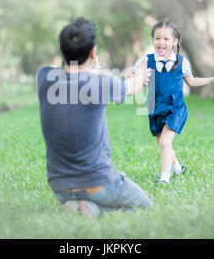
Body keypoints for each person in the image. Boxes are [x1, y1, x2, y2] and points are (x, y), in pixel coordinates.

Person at [37, 17, 153, 218]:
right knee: (146, 208)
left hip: (59, 187)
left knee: (90, 200)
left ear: (62, 49)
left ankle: (80, 205)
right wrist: (141, 74)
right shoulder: (103, 83)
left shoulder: (44, 78)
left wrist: (92, 73)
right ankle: (94, 207)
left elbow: (75, 78)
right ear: (93, 52)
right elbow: (133, 86)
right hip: (98, 185)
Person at [127, 18, 214, 185]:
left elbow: (192, 81)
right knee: (162, 144)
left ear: (175, 41)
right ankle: (178, 169)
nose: (161, 42)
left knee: (165, 142)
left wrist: (212, 80)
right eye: (157, 38)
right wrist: (131, 73)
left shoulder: (181, 62)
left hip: (175, 109)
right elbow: (133, 79)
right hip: (154, 108)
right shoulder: (146, 61)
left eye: (166, 39)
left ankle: (164, 179)